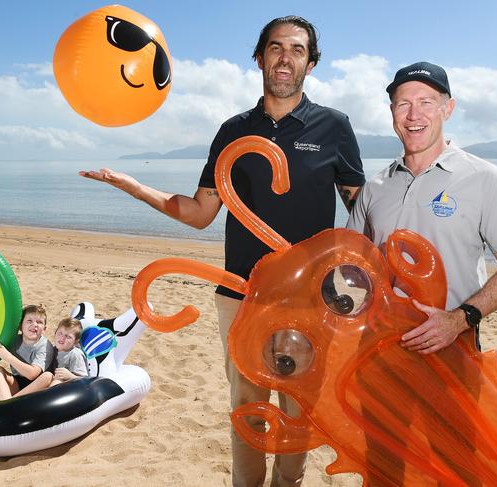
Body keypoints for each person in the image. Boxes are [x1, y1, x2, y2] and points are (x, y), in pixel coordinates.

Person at [81, 16, 365, 487]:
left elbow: (361, 209)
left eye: (296, 49)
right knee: (248, 409)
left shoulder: (335, 127)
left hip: (310, 300)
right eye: (275, 47)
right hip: (241, 296)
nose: (284, 57)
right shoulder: (233, 129)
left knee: (300, 410)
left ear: (310, 64)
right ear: (259, 58)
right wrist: (131, 185)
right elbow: (198, 212)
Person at [347, 61, 497, 485]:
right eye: (402, 104)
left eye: (426, 102)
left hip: (453, 349)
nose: (413, 115)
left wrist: (459, 320)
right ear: (391, 113)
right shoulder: (375, 187)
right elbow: (353, 268)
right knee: (383, 465)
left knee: (458, 466)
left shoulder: (482, 178)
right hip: (380, 352)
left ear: (448, 108)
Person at [0, 304, 56, 399]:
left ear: (44, 329)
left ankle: (10, 402)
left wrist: (8, 356)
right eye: (29, 321)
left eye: (39, 322)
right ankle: (5, 402)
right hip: (17, 383)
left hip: (38, 388)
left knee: (48, 376)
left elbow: (32, 375)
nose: (34, 325)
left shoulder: (45, 346)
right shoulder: (14, 340)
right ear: (20, 327)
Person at [47, 317, 88, 386]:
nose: (62, 338)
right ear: (55, 332)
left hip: (70, 389)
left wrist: (70, 376)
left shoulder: (75, 354)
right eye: (60, 333)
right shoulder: (52, 350)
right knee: (45, 376)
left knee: (58, 380)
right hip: (52, 384)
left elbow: (85, 381)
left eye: (68, 337)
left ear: (75, 342)